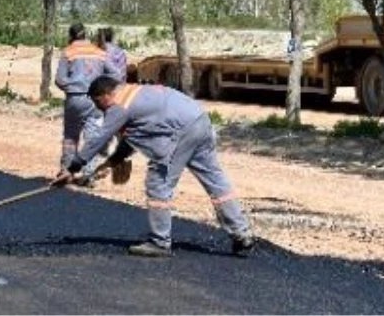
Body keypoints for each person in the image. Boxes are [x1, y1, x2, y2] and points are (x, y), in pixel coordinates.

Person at [58, 76, 256, 258]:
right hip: (200, 121)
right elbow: (132, 138)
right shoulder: (134, 92)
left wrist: (73, 167)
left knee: (158, 182)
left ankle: (159, 242)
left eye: (98, 102)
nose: (100, 109)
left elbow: (98, 139)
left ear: (106, 95)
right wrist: (112, 162)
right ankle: (242, 234)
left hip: (182, 132)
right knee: (216, 181)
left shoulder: (118, 106)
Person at [55, 23, 121, 185]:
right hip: (95, 100)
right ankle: (88, 174)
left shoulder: (68, 52)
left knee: (71, 136)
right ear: (85, 35)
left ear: (71, 36)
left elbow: (59, 79)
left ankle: (66, 172)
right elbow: (116, 73)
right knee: (92, 137)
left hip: (75, 99)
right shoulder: (99, 52)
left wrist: (72, 87)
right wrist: (104, 88)